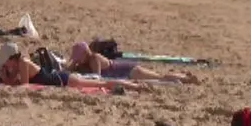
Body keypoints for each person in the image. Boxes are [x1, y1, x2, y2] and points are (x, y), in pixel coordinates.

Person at [0, 43, 138, 92]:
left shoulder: (22, 63)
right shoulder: (19, 63)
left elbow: (24, 86)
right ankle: (134, 85)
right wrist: (5, 79)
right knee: (102, 83)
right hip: (60, 77)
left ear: (10, 59)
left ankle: (135, 86)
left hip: (64, 80)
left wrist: (5, 83)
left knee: (103, 83)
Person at [65, 41, 200, 84]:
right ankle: (182, 75)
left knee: (159, 78)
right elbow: (70, 70)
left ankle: (187, 79)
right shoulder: (86, 61)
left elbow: (96, 77)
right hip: (125, 70)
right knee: (158, 76)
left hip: (128, 70)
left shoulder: (94, 59)